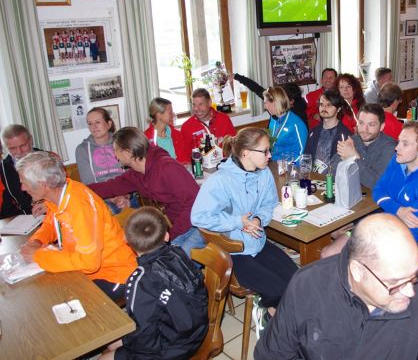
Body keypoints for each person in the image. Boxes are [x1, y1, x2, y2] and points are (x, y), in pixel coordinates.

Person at [254, 213, 418, 359]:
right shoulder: (308, 285)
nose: (411, 291)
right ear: (358, 271)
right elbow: (271, 354)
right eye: (395, 284)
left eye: (414, 275)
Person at [191, 128, 297, 337]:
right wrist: (238, 222)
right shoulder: (220, 181)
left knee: (297, 280)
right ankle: (268, 316)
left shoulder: (263, 173)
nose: (270, 155)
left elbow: (269, 204)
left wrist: (258, 219)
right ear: (246, 153)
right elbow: (199, 217)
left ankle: (276, 317)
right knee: (278, 289)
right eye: (265, 151)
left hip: (258, 243)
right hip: (233, 251)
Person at [18, 152, 137, 301]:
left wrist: (38, 256)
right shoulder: (60, 192)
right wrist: (37, 241)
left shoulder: (80, 206)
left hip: (113, 275)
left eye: (24, 182)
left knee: (57, 299)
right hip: (86, 269)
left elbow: (89, 263)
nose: (22, 188)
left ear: (43, 184)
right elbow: (51, 223)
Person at [100, 207, 208, 360]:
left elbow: (145, 340)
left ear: (126, 240)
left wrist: (128, 345)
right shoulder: (179, 252)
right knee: (114, 343)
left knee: (105, 354)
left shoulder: (140, 281)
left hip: (172, 348)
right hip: (197, 329)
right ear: (166, 236)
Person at [88, 127, 204, 256]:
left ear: (128, 152)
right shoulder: (137, 173)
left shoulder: (167, 168)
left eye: (115, 150)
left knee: (176, 261)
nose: (114, 155)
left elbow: (195, 205)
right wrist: (78, 189)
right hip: (177, 227)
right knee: (161, 260)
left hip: (198, 225)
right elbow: (110, 187)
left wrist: (171, 235)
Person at [373, 122, 418, 251]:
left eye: (405, 144)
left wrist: (388, 206)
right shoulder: (397, 161)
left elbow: (411, 227)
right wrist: (398, 210)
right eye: (399, 141)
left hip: (412, 242)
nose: (397, 148)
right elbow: (377, 191)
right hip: (387, 228)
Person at [75, 108, 138, 214]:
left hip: (127, 194)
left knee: (143, 215)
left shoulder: (122, 143)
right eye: (90, 123)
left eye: (97, 122)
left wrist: (125, 196)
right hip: (101, 198)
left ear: (109, 124)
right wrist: (112, 198)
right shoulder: (82, 150)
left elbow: (132, 174)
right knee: (110, 213)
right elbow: (88, 183)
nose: (93, 127)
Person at [337, 104, 396, 189]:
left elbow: (378, 184)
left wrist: (354, 158)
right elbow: (331, 170)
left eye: (371, 125)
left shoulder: (390, 149)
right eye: (361, 123)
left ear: (381, 127)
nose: (364, 129)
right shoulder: (354, 139)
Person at [1, 124, 47, 219]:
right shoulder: (3, 170)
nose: (19, 152)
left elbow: (64, 192)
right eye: (12, 148)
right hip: (24, 220)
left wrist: (49, 205)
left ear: (30, 140)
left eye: (23, 145)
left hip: (51, 214)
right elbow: (5, 206)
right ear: (6, 148)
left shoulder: (49, 159)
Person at [232, 75, 308, 129]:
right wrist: (236, 76)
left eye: (281, 96)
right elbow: (256, 88)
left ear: (291, 101)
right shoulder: (272, 102)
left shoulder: (298, 118)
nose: (265, 106)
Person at [303, 90, 351, 175]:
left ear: (338, 109)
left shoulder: (345, 135)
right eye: (321, 104)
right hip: (313, 178)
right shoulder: (313, 132)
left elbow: (345, 167)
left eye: (329, 105)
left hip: (333, 179)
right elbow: (306, 158)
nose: (324, 108)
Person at [263, 86, 308, 161]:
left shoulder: (296, 124)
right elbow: (271, 142)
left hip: (288, 165)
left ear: (275, 103)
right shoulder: (273, 119)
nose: (265, 107)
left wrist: (284, 165)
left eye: (266, 103)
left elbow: (301, 154)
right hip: (272, 160)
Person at [144, 97, 189, 164]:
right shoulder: (146, 139)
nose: (173, 114)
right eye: (170, 112)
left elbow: (186, 158)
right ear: (158, 115)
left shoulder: (176, 134)